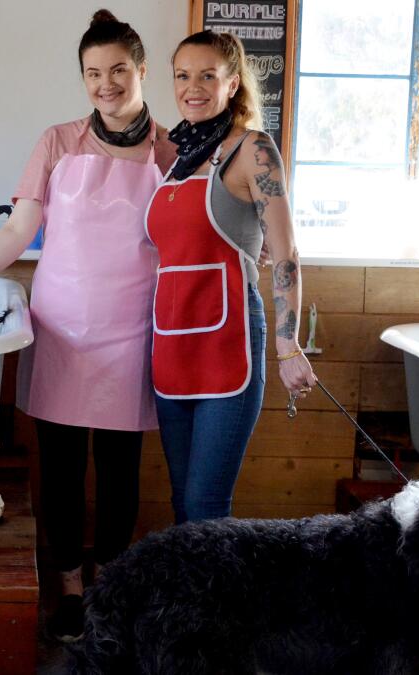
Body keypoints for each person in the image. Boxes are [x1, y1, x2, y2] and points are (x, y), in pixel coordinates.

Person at [0, 10, 175, 642]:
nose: (106, 83)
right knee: (59, 469)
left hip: (136, 328)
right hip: (61, 325)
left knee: (120, 472)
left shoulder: (173, 149)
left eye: (118, 69)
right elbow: (17, 231)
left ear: (141, 70)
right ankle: (66, 586)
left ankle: (109, 586)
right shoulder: (57, 142)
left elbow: (186, 241)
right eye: (93, 72)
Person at [145, 30, 316, 525]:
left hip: (229, 345)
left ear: (232, 83)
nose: (192, 87)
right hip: (171, 348)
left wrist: (288, 346)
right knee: (182, 503)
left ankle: (214, 605)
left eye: (207, 76)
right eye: (182, 75)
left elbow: (284, 253)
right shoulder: (173, 156)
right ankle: (187, 605)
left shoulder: (252, 151)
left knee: (205, 507)